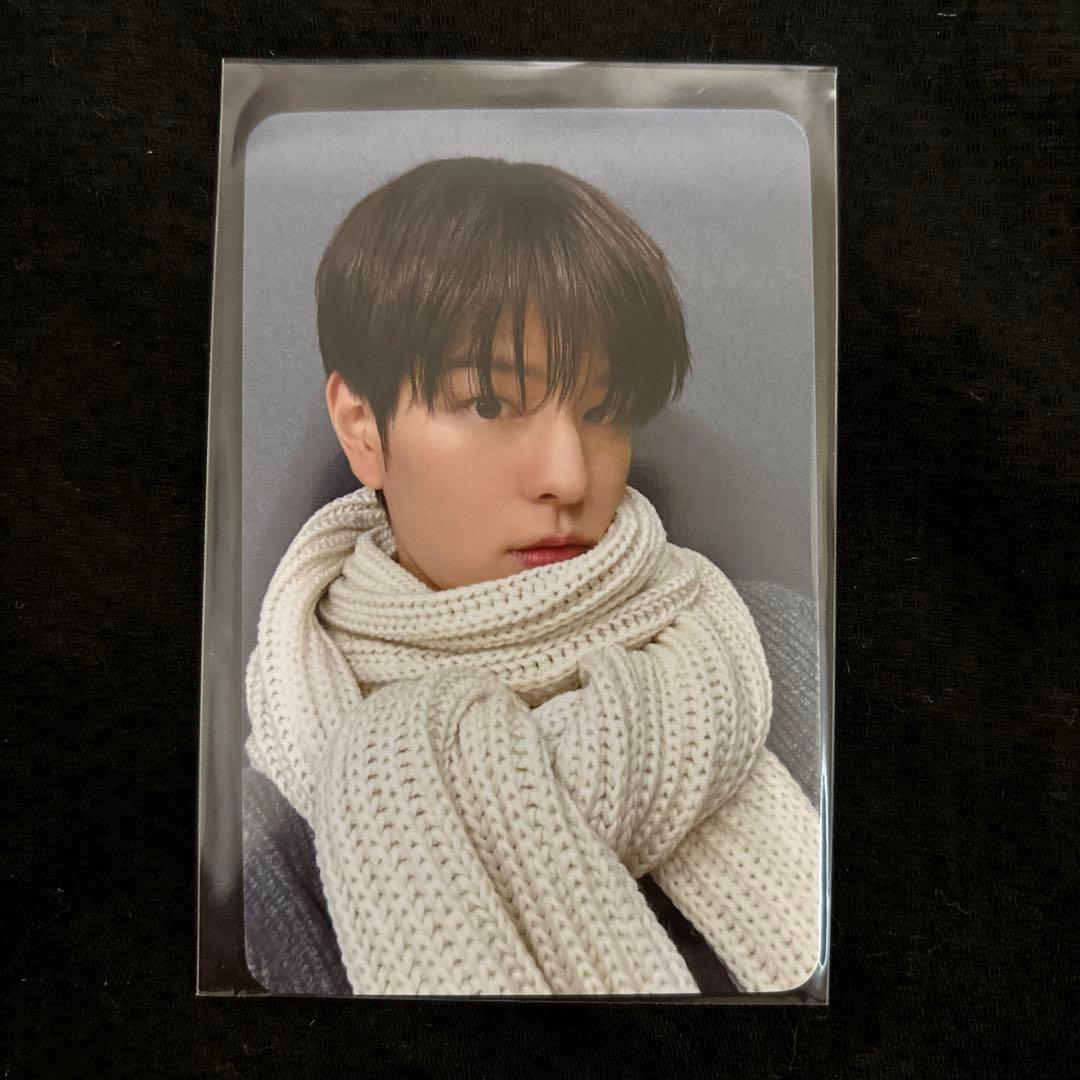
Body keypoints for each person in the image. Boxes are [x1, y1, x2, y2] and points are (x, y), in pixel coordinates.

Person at [242, 156, 823, 996]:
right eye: (488, 403)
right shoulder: (263, 839)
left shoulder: (784, 657)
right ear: (362, 427)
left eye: (602, 409)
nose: (569, 477)